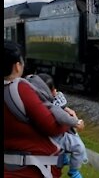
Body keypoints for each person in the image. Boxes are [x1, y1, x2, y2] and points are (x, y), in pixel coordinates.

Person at [4, 41, 70, 178]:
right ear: (17, 66)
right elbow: (52, 126)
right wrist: (67, 118)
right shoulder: (20, 89)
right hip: (29, 171)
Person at [26, 73, 88, 178]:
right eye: (51, 90)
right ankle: (71, 167)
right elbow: (60, 115)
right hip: (52, 135)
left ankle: (71, 164)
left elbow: (62, 109)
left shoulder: (44, 99)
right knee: (77, 147)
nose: (55, 92)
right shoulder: (42, 104)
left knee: (77, 144)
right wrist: (75, 122)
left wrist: (68, 110)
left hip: (59, 133)